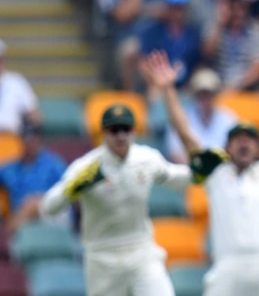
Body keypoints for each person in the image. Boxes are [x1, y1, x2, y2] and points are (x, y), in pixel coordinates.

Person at [141, 48, 259, 296]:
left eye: (249, 139)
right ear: (227, 147)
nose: (244, 143)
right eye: (237, 139)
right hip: (227, 267)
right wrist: (168, 90)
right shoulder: (215, 173)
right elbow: (186, 134)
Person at [39, 104, 192, 296]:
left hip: (141, 251)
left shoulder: (146, 158)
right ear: (103, 132)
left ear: (134, 130)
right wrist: (73, 188)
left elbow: (176, 177)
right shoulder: (87, 167)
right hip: (102, 258)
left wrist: (201, 172)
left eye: (125, 129)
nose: (121, 136)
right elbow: (48, 207)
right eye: (114, 130)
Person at [0, 123, 67, 234]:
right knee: (28, 204)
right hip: (22, 218)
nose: (31, 142)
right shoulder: (11, 168)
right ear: (21, 140)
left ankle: (6, 235)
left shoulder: (54, 164)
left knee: (31, 204)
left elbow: (66, 192)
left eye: (35, 137)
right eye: (27, 138)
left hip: (53, 212)